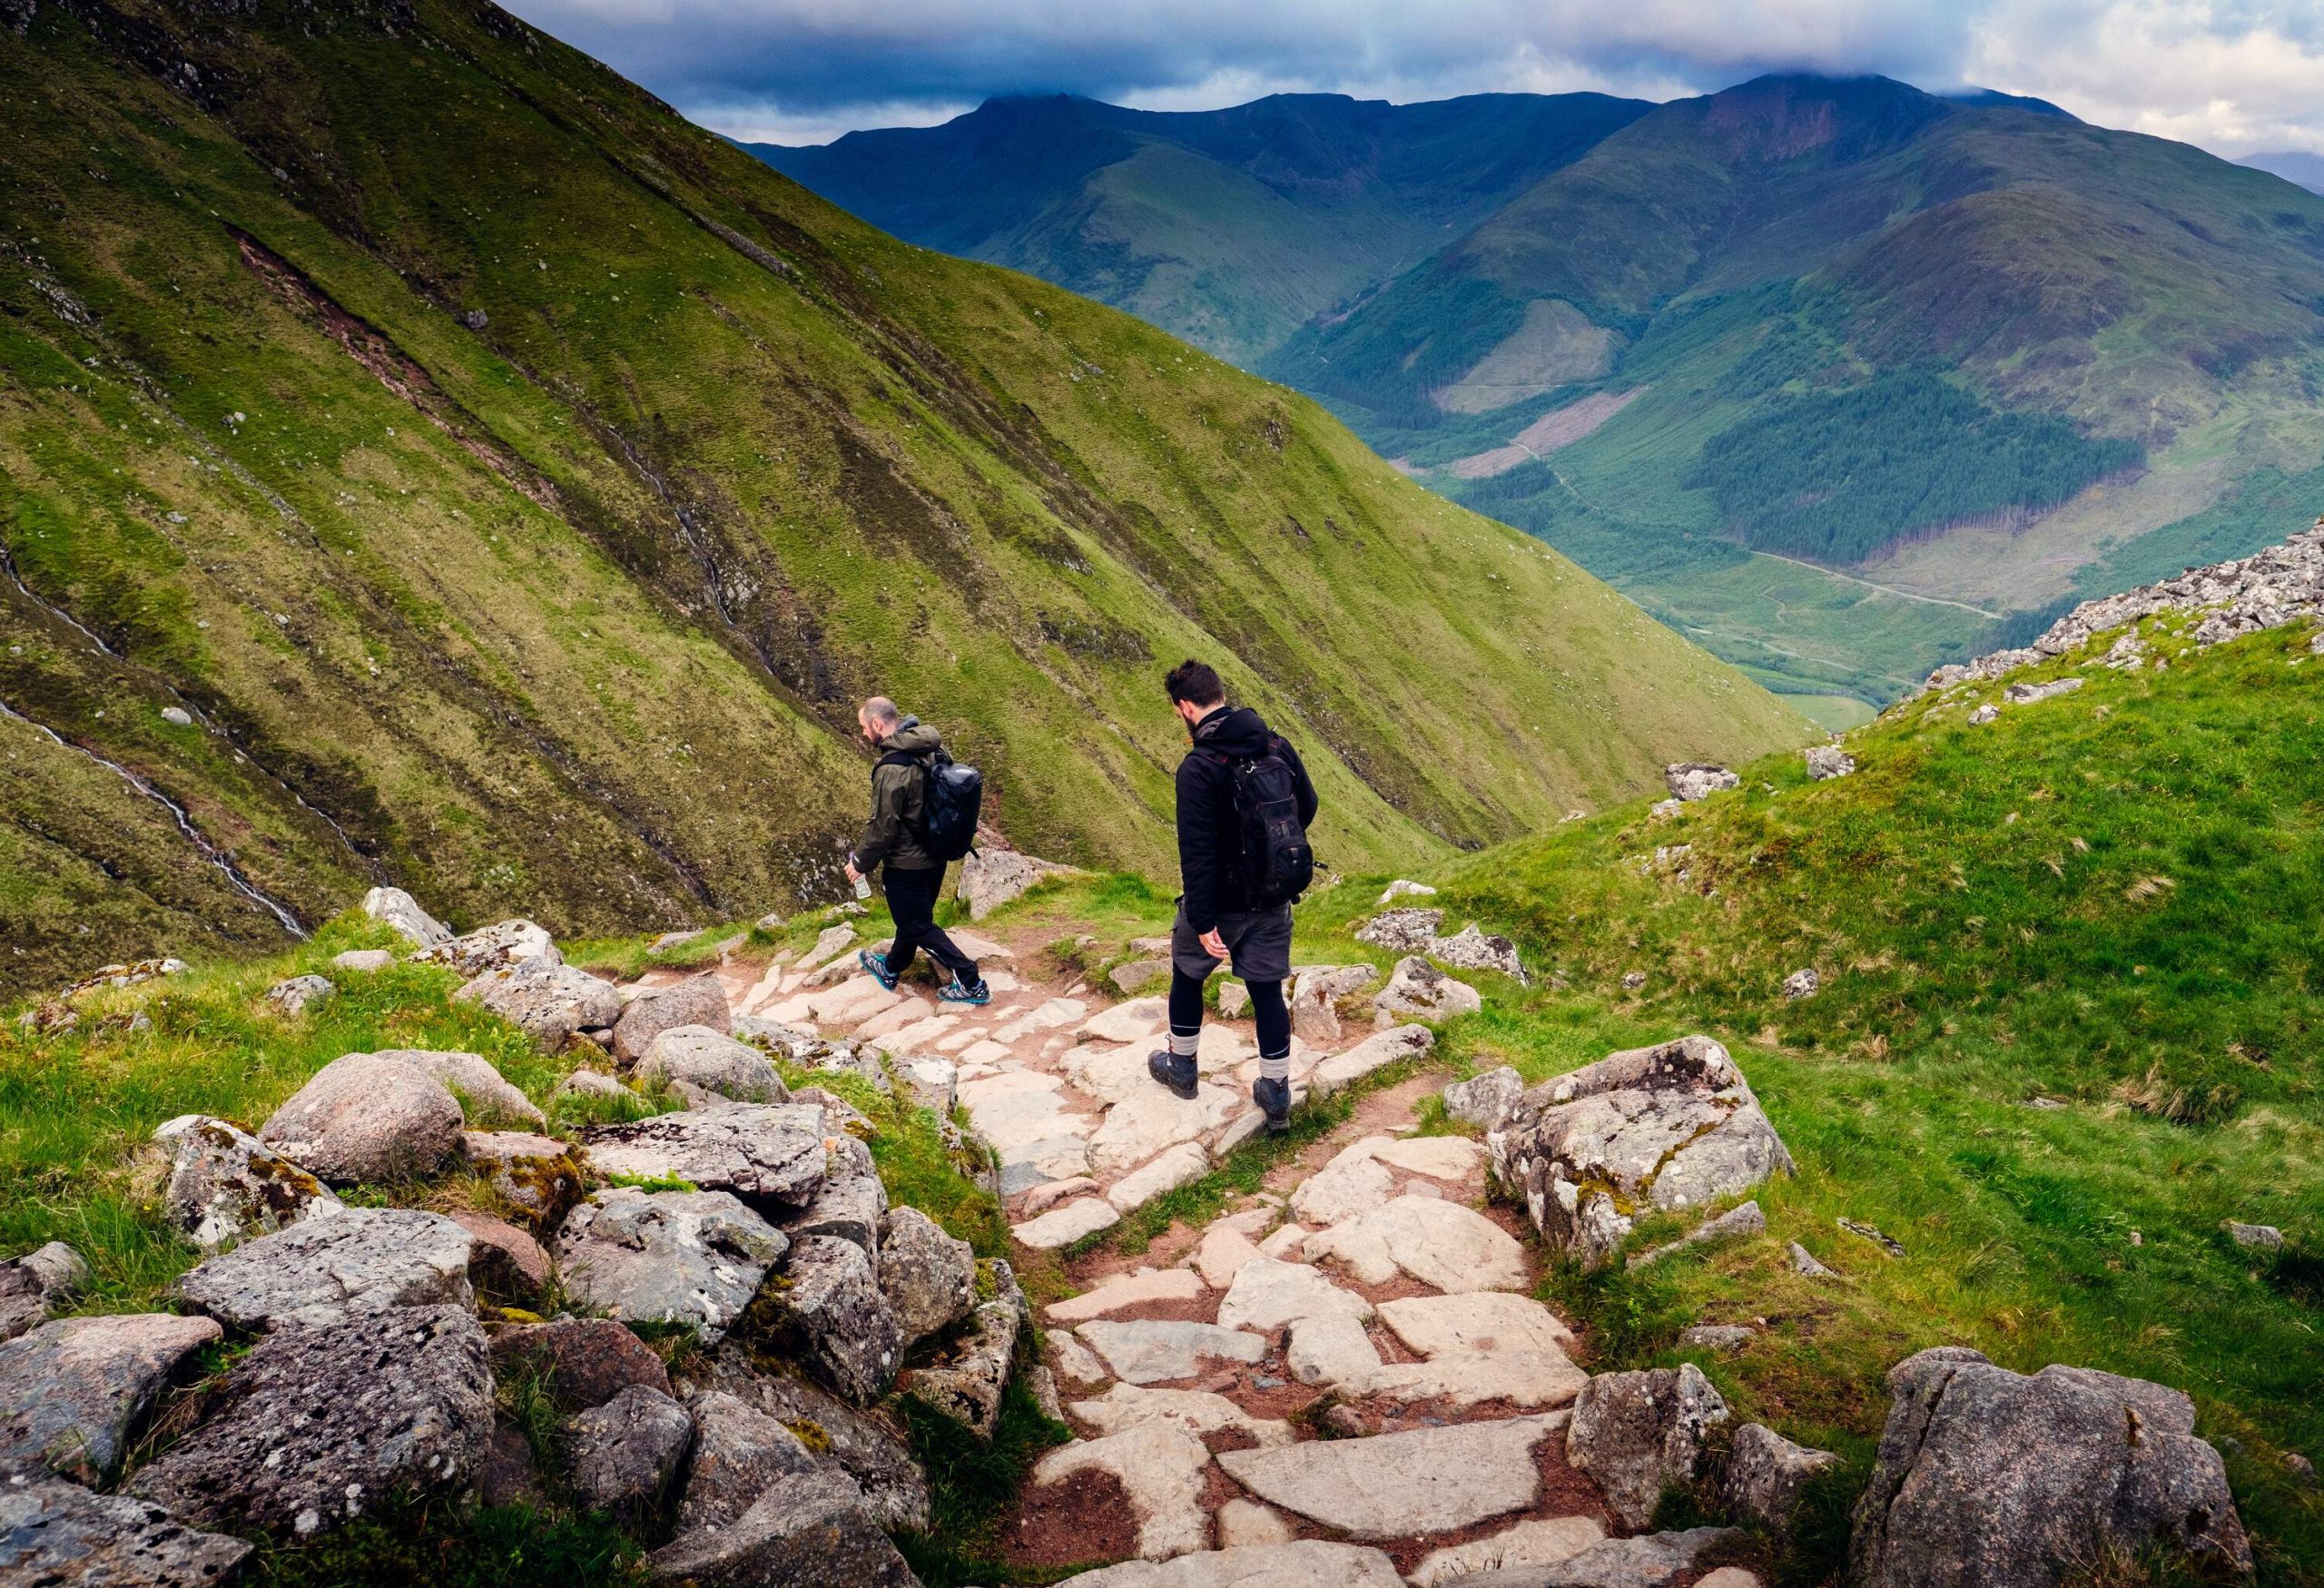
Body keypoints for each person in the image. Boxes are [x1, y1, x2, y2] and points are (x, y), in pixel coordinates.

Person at [1147, 659, 1317, 1133]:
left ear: (1184, 707)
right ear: (1220, 694)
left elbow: (1197, 852)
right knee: (1267, 993)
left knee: (1187, 973)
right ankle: (1276, 1092)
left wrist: (1202, 922)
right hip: (1272, 895)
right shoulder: (1274, 743)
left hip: (1221, 901)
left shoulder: (1199, 767)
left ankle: (1182, 1069)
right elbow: (1308, 806)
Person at [844, 697, 990, 1005]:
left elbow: (883, 826)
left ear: (877, 725)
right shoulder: (931, 749)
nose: (863, 734)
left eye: (863, 727)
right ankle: (893, 967)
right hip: (936, 852)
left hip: (907, 863)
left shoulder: (891, 768)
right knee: (913, 919)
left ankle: (970, 980)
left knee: (916, 925)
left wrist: (860, 862)